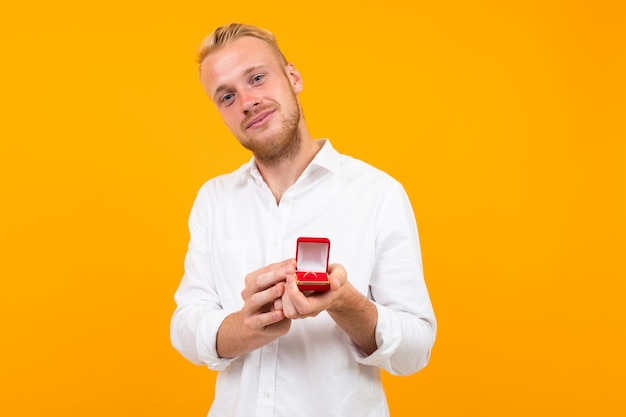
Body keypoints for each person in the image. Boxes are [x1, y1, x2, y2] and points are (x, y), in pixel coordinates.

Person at [170, 23, 436, 417]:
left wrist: (344, 302)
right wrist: (245, 327)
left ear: (292, 77)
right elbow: (185, 325)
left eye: (257, 78)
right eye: (227, 96)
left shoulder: (378, 193)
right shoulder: (214, 200)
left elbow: (416, 349)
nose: (247, 101)